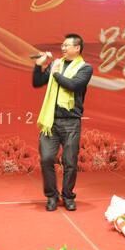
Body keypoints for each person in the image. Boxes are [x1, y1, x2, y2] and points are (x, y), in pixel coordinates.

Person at [32, 33, 93, 212]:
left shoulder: (85, 68)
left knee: (70, 162)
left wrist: (56, 73)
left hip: (71, 122)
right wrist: (39, 65)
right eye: (63, 45)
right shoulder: (55, 64)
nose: (63, 48)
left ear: (77, 48)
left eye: (67, 45)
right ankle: (52, 196)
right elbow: (37, 82)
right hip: (50, 120)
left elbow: (72, 85)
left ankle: (67, 196)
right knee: (46, 159)